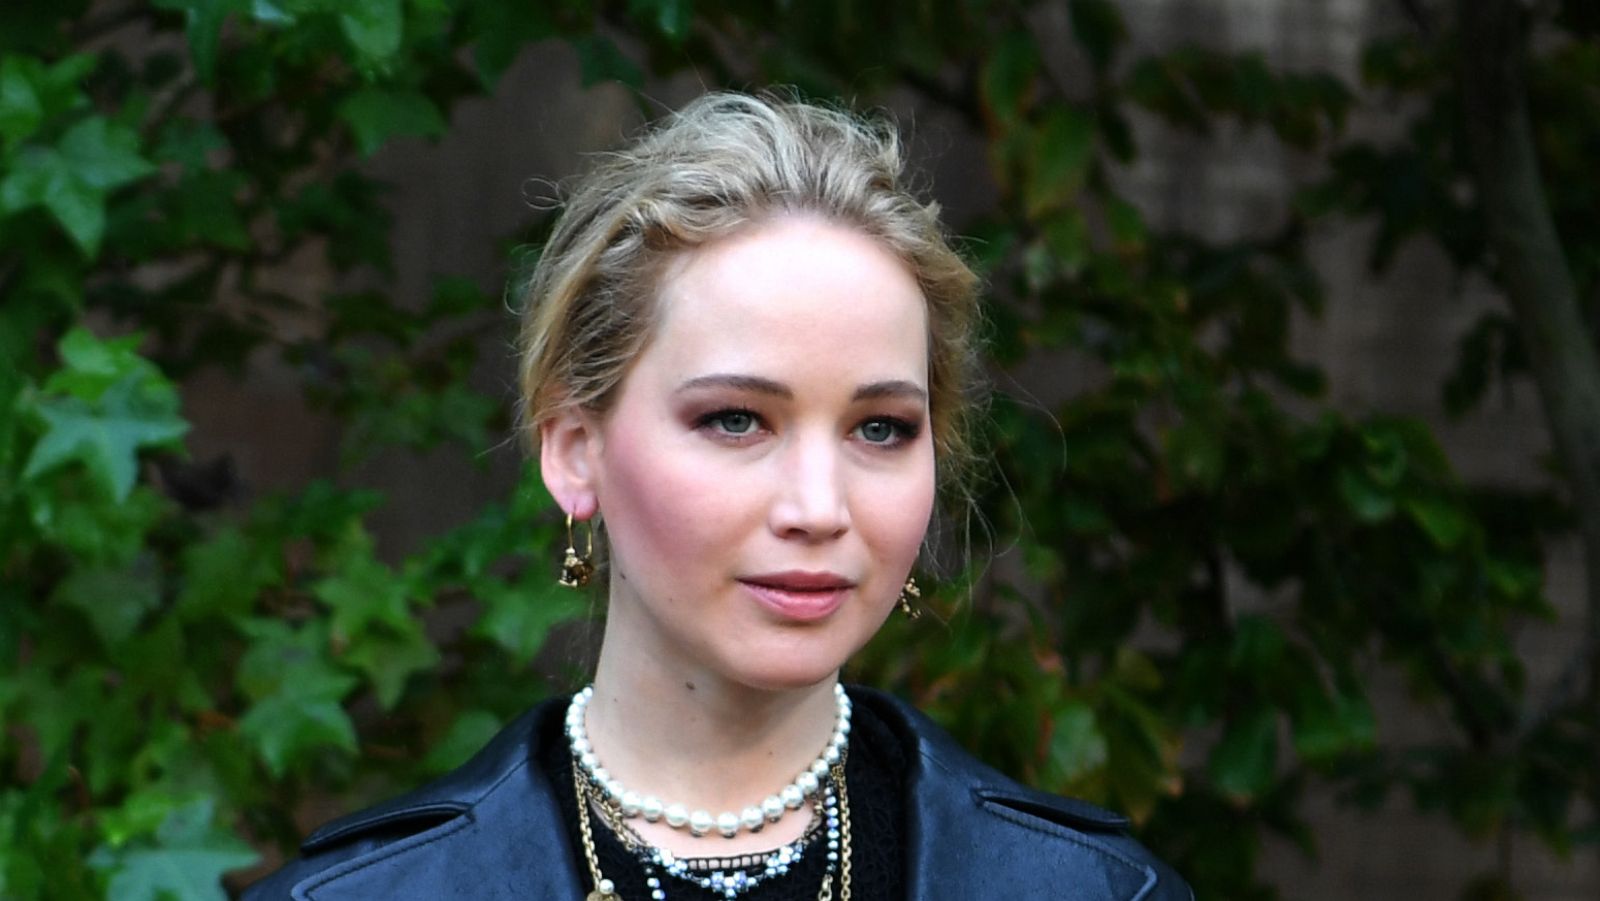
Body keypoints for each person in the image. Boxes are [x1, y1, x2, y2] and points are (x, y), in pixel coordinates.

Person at [243, 91, 1190, 901]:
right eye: (737, 420)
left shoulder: (1094, 888)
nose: (819, 507)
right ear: (575, 450)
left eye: (880, 429)